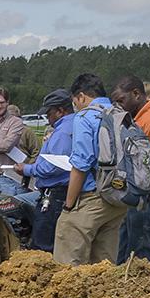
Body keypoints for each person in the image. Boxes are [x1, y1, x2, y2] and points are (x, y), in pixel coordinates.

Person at [54, 73, 130, 266]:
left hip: (92, 196)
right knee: (104, 263)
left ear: (81, 97)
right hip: (119, 196)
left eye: (75, 102)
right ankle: (104, 295)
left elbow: (81, 164)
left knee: (68, 256)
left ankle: (69, 296)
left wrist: (69, 205)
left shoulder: (85, 117)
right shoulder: (119, 113)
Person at [111, 76, 150, 263]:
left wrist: (143, 192)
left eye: (121, 100)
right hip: (136, 198)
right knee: (126, 250)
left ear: (137, 95)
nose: (119, 105)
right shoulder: (134, 120)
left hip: (149, 199)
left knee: (143, 256)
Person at [19, 90, 75, 254]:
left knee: (43, 245)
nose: (47, 118)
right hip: (59, 191)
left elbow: (54, 166)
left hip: (55, 193)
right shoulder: (70, 126)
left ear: (60, 111)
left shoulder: (63, 132)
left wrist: (27, 169)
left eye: (49, 113)